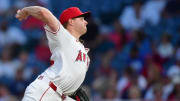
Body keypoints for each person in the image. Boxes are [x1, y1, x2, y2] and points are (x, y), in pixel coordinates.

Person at [16, 6, 91, 101]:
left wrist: (74, 90)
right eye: (81, 19)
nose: (86, 22)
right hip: (45, 91)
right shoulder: (63, 36)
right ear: (71, 21)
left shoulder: (84, 52)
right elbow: (43, 12)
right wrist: (25, 11)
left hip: (60, 96)